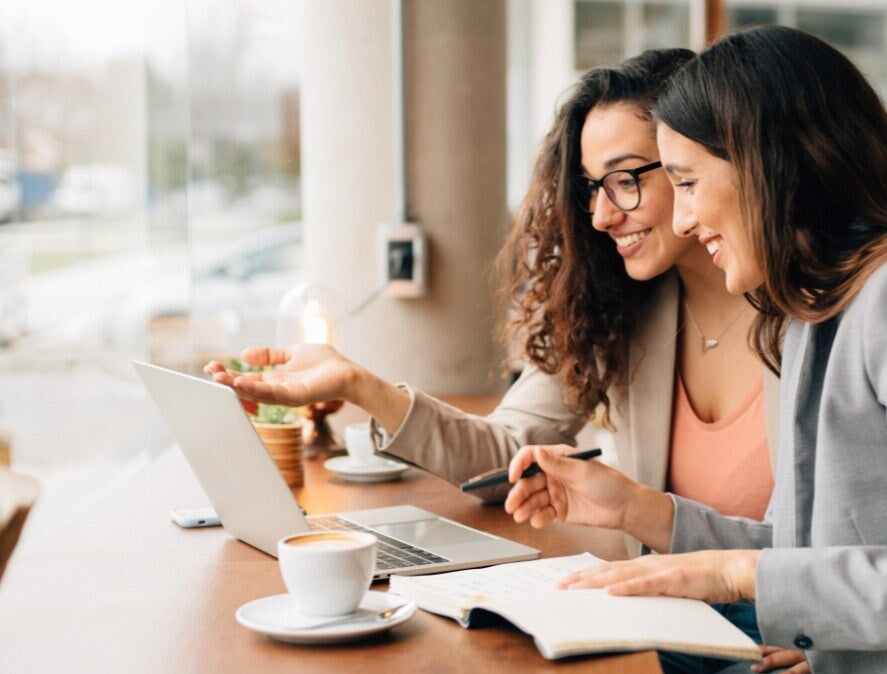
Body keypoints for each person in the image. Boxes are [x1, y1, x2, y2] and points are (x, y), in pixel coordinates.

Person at [504, 25, 887, 673]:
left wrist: (742, 575)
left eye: (686, 183)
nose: (680, 220)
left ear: (766, 165)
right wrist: (637, 509)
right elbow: (817, 548)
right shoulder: (814, 310)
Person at [205, 49, 804, 672]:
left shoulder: (813, 312)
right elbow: (508, 455)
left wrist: (837, 638)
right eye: (592, 188)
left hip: (778, 631)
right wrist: (358, 384)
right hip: (664, 621)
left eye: (627, 179)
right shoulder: (622, 305)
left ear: (696, 161)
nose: (601, 215)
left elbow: (875, 541)